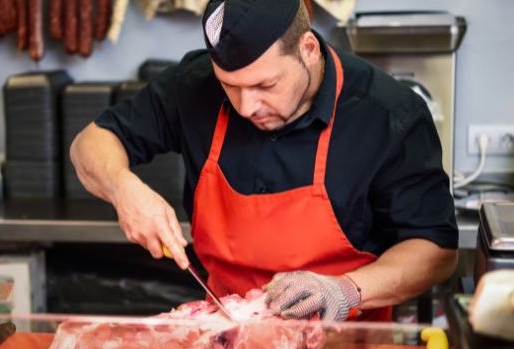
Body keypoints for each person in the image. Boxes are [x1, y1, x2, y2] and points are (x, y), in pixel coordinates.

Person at [70, 0, 458, 321]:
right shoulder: (194, 85)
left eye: (265, 85)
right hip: (229, 333)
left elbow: (435, 249)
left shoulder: (387, 114)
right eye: (230, 87)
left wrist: (344, 290)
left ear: (307, 49)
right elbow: (90, 144)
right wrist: (124, 189)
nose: (246, 106)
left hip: (345, 338)